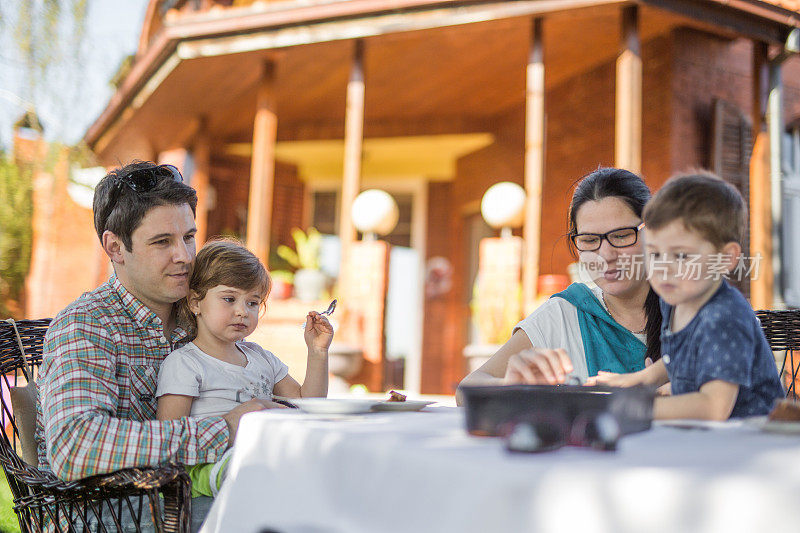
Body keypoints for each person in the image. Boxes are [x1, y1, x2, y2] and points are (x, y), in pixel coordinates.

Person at [35, 161, 272, 530]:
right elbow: (75, 446)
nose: (185, 255)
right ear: (115, 247)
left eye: (189, 237)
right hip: (103, 515)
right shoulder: (87, 324)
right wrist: (224, 429)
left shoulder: (202, 314)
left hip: (200, 496)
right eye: (163, 241)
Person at [591, 172, 784, 419]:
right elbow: (678, 357)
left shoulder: (723, 315)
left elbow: (713, 407)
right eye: (655, 254)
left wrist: (634, 406)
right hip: (705, 439)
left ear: (725, 259)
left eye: (681, 256)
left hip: (749, 439)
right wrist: (639, 380)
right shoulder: (675, 300)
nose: (663, 269)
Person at [458, 167, 662, 398]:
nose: (606, 254)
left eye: (622, 235)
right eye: (589, 240)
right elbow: (468, 389)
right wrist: (510, 385)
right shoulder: (565, 314)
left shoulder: (691, 306)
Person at [156, 239, 333, 497]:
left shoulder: (262, 359)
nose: (242, 311)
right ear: (195, 303)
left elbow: (308, 403)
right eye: (229, 299)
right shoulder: (185, 363)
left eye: (252, 302)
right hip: (205, 469)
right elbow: (170, 437)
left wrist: (317, 351)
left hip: (264, 456)